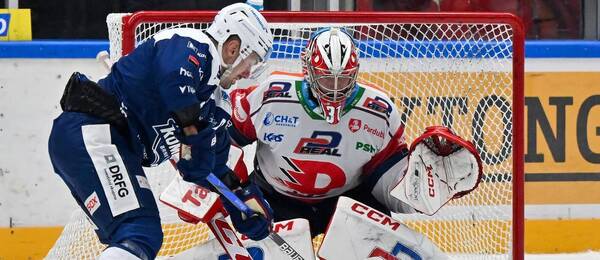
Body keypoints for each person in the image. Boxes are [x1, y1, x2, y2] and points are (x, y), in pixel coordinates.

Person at [48, 3, 273, 259]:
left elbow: (212, 163)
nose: (248, 74)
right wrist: (192, 134)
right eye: (251, 62)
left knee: (135, 237)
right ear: (234, 48)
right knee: (137, 232)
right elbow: (175, 80)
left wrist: (240, 201)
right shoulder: (192, 43)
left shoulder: (213, 103)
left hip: (110, 146)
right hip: (93, 131)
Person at [226, 27, 483, 237]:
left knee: (383, 243)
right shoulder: (271, 95)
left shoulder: (379, 111)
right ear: (309, 71)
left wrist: (416, 189)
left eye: (345, 78)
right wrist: (237, 193)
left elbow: (384, 182)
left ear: (356, 72)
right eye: (327, 77)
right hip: (274, 198)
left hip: (345, 200)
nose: (336, 88)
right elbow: (226, 143)